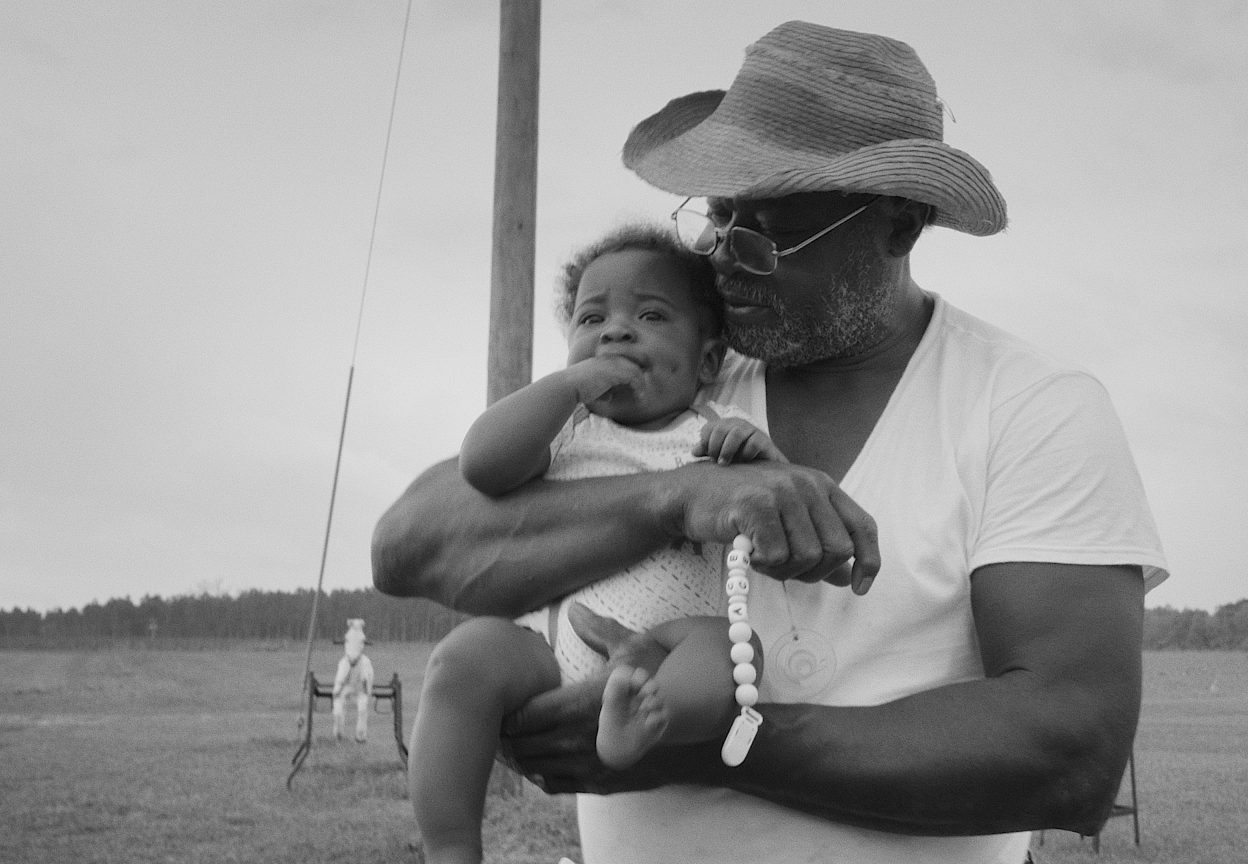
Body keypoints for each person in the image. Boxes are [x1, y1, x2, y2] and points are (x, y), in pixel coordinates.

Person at [374, 20, 1168, 864]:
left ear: (899, 225)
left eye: (768, 231)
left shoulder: (1030, 407)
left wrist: (709, 745)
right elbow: (411, 546)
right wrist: (679, 497)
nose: (724, 260)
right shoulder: (678, 371)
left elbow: (1071, 751)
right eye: (719, 218)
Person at [409, 224, 783, 864]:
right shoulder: (566, 433)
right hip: (548, 642)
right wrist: (565, 389)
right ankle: (449, 845)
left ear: (708, 361)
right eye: (592, 318)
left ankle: (647, 718)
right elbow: (483, 464)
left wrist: (755, 457)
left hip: (668, 644)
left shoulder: (717, 431)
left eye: (650, 316)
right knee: (461, 660)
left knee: (732, 649)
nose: (616, 333)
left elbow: (775, 509)